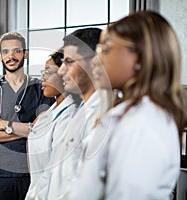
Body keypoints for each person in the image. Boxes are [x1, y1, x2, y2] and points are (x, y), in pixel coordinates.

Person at [70, 11, 187, 200]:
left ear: (140, 56)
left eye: (106, 50)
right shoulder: (128, 115)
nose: (97, 61)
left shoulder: (143, 125)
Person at [0, 32, 55, 200]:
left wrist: (5, 125)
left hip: (31, 171)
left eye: (16, 51)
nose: (11, 56)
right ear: (0, 56)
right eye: (5, 52)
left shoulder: (41, 88)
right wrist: (27, 129)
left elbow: (44, 130)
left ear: (25, 53)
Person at [26, 27, 104, 200]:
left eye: (69, 62)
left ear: (95, 62)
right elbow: (51, 173)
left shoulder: (101, 116)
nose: (62, 71)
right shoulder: (82, 112)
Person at [26, 48, 80, 198]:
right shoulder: (51, 112)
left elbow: (56, 172)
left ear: (65, 74)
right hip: (38, 191)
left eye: (48, 72)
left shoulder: (69, 115)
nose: (42, 78)